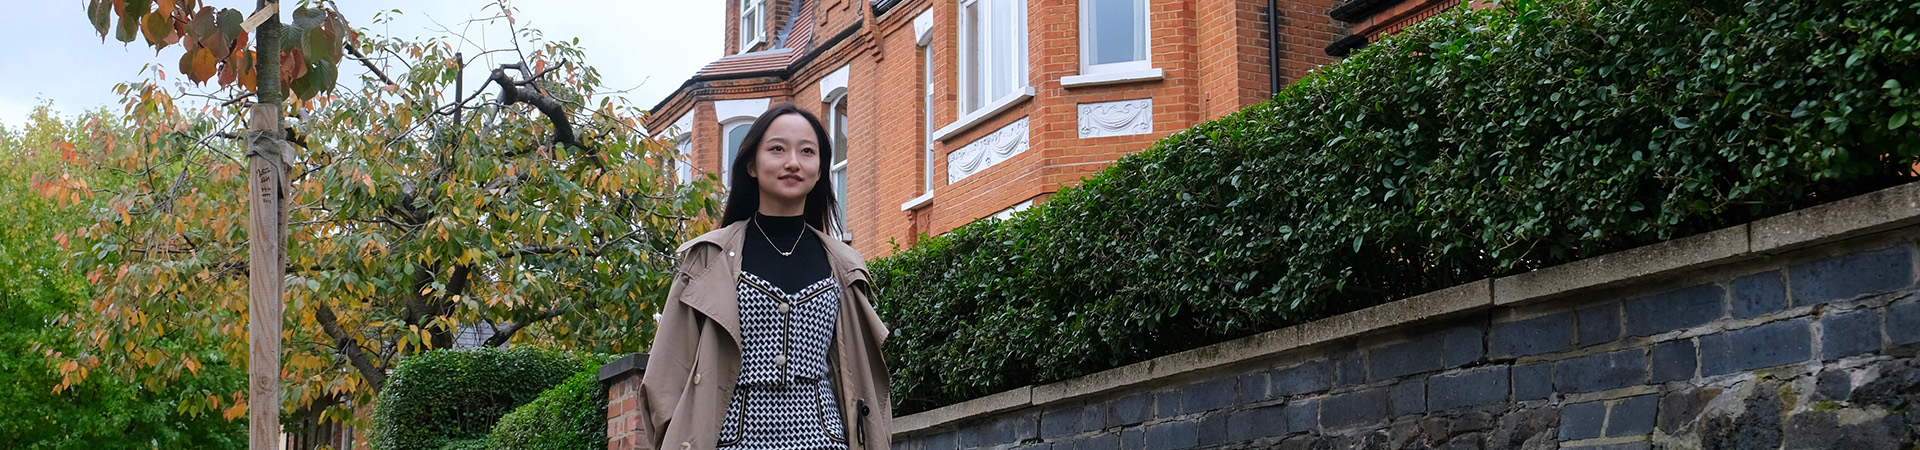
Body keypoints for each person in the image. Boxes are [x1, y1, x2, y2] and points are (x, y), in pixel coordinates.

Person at [638, 104, 891, 450]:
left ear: (819, 170)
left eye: (807, 151)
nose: (793, 162)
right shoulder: (708, 258)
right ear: (751, 165)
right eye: (777, 149)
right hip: (731, 441)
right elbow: (665, 376)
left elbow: (864, 380)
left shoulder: (844, 265)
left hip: (826, 441)